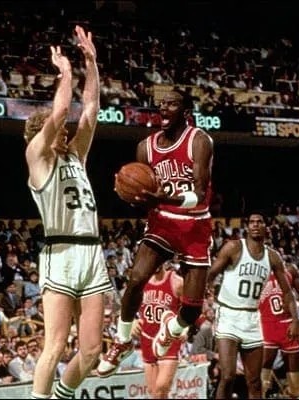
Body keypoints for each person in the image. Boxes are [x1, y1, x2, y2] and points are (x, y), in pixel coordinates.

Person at [97, 89, 215, 377]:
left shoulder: (199, 140)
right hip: (162, 222)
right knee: (136, 278)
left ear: (185, 111)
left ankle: (171, 330)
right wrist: (133, 194)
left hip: (194, 225)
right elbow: (146, 193)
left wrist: (165, 198)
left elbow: (200, 194)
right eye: (161, 103)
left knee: (191, 310)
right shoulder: (145, 148)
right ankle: (122, 340)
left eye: (172, 103)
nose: (164, 107)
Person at [24, 26, 109, 400]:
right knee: (55, 344)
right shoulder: (37, 158)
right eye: (56, 129)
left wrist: (91, 64)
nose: (64, 130)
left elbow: (90, 109)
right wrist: (66, 72)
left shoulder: (75, 156)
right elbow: (61, 111)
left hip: (91, 252)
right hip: (60, 252)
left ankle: (62, 395)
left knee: (91, 351)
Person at [206, 212, 299, 399]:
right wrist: (205, 299)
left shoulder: (272, 257)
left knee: (255, 381)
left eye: (260, 222)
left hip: (252, 318)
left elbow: (287, 291)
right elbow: (210, 274)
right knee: (228, 375)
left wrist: (295, 319)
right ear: (247, 227)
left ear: (266, 227)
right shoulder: (234, 247)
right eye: (252, 222)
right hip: (229, 315)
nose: (255, 225)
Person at [133, 263, 184, 399]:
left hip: (168, 339)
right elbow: (128, 305)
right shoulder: (140, 281)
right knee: (153, 391)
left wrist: (185, 327)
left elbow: (189, 309)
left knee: (161, 387)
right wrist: (132, 321)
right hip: (147, 338)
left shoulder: (177, 282)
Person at [259, 261, 299, 398]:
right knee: (261, 382)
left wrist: (296, 305)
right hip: (266, 326)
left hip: (288, 325)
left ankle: (291, 394)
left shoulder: (290, 269)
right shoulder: (256, 271)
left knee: (296, 386)